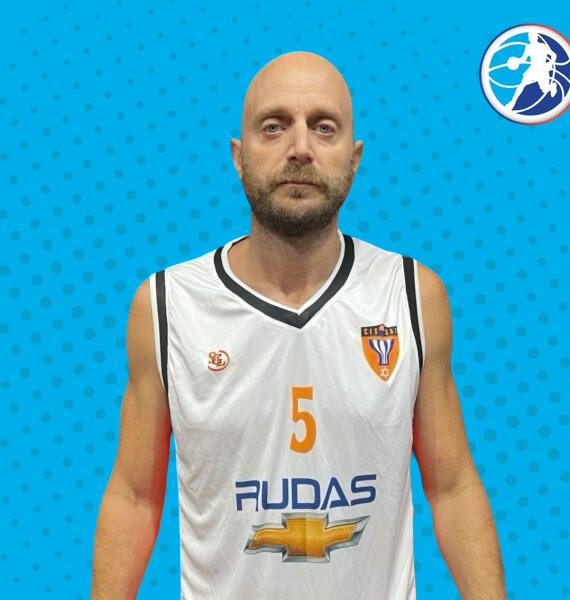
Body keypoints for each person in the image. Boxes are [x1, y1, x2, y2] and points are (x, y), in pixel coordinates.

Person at [91, 51, 506, 599]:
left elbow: (451, 487)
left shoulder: (411, 294)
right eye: (274, 126)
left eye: (324, 127)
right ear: (238, 156)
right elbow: (135, 495)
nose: (300, 148)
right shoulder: (167, 304)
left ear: (353, 157)